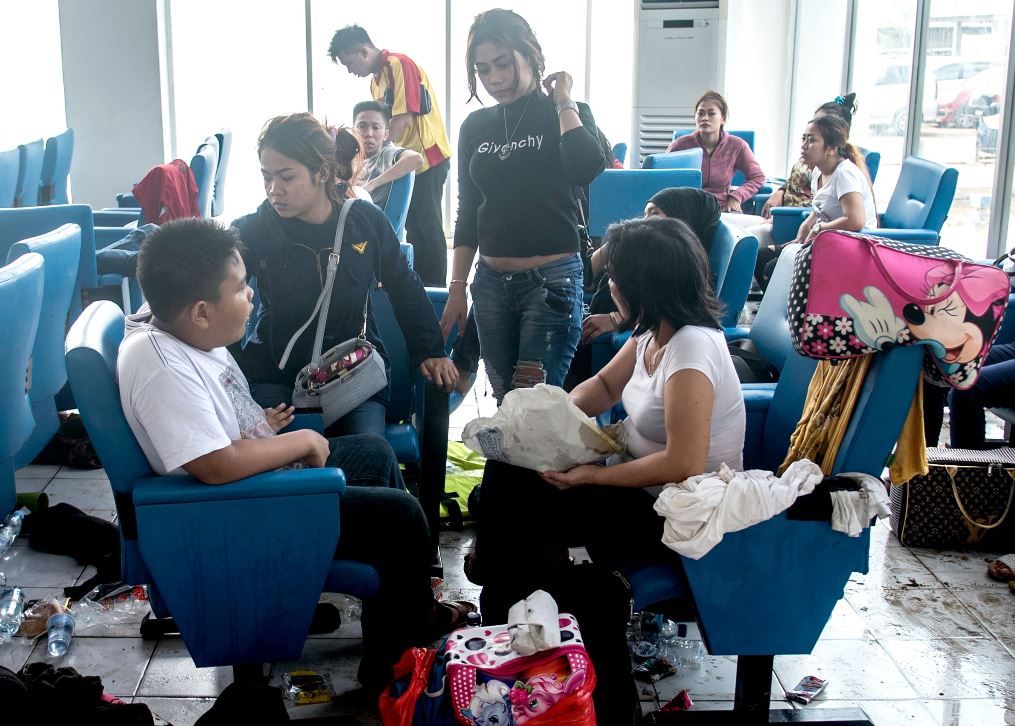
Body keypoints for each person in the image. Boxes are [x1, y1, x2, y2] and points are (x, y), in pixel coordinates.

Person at [118, 218, 474, 690]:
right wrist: (302, 442)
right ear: (201, 311)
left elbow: (207, 433)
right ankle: (390, 667)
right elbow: (214, 466)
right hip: (239, 511)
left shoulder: (180, 329)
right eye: (242, 288)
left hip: (256, 484)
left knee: (374, 453)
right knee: (402, 517)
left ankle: (404, 619)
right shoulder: (164, 367)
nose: (251, 297)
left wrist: (259, 426)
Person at [469, 217, 745, 722]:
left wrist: (592, 475)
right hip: (636, 488)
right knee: (510, 464)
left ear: (644, 283)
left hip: (671, 513)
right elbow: (599, 387)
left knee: (517, 519)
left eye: (616, 276)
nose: (609, 285)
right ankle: (509, 585)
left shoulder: (692, 349)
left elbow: (683, 462)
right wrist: (549, 429)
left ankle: (505, 590)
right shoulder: (650, 335)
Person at [230, 113, 457, 439]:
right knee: (285, 463)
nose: (273, 190)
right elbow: (217, 291)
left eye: (286, 178)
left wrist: (431, 350)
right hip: (276, 374)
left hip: (352, 371)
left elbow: (403, 285)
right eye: (266, 177)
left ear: (322, 173)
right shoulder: (254, 230)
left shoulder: (362, 221)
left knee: (369, 453)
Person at [440, 8, 606, 403]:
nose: (495, 79)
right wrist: (458, 287)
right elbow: (468, 211)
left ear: (530, 55)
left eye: (504, 64)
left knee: (531, 409)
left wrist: (563, 99)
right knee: (506, 403)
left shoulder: (566, 113)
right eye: (483, 70)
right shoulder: (475, 126)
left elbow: (587, 167)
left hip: (552, 284)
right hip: (491, 285)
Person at [329, 26, 452, 286]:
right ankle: (417, 284)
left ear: (363, 51)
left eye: (350, 63)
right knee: (413, 229)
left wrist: (377, 155)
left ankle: (435, 290)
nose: (350, 71)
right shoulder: (376, 81)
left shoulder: (398, 64)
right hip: (399, 162)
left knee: (427, 228)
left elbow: (402, 120)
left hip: (425, 159)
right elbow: (380, 125)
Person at [580, 187, 721, 345]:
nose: (644, 221)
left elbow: (673, 314)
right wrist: (612, 246)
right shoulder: (642, 257)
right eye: (645, 214)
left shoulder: (686, 272)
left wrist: (616, 319)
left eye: (654, 213)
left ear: (680, 218)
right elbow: (584, 275)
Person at [754, 114, 877, 291]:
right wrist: (808, 223)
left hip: (852, 248)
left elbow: (856, 220)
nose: (803, 146)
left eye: (811, 141)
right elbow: (822, 207)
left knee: (773, 268)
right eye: (803, 138)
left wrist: (819, 228)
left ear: (832, 148)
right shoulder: (819, 171)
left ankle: (798, 315)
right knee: (761, 257)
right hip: (826, 242)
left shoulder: (844, 174)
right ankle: (780, 313)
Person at [665, 90, 765, 213]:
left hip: (721, 209)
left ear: (723, 119)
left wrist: (736, 196)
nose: (705, 118)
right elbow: (662, 177)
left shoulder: (737, 146)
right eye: (700, 113)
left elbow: (757, 177)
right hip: (686, 208)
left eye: (711, 113)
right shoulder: (680, 145)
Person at [352, 100, 425, 210]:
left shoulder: (385, 153)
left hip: (369, 220)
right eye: (362, 126)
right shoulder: (352, 158)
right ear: (353, 130)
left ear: (386, 134)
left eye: (376, 128)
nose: (369, 133)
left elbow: (416, 159)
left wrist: (372, 184)